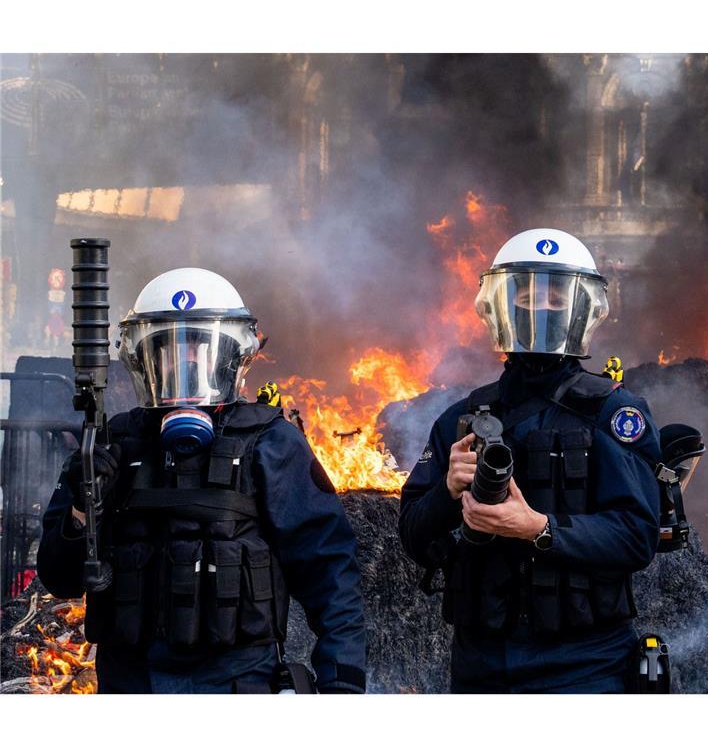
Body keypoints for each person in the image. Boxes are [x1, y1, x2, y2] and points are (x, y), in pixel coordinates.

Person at [37, 267, 367, 693]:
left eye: (199, 346)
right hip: (132, 685)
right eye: (169, 348)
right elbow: (59, 578)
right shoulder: (109, 445)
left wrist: (341, 684)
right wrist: (82, 508)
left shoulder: (271, 443)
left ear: (231, 355)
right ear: (145, 359)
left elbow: (329, 570)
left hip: (237, 686)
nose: (186, 361)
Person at [399, 227, 661, 693]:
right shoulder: (462, 419)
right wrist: (447, 491)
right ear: (500, 306)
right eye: (526, 296)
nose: (541, 308)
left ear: (582, 308)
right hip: (482, 667)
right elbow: (414, 537)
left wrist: (539, 528)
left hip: (587, 667)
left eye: (556, 297)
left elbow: (636, 536)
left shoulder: (613, 414)